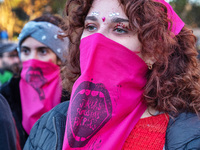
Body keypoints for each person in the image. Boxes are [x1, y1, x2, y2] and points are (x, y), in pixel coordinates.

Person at [24, 0, 200, 149]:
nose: (97, 39)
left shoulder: (189, 134)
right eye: (91, 26)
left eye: (120, 29)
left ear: (154, 50)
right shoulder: (51, 123)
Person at [0, 14, 70, 149]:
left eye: (43, 51)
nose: (32, 59)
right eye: (26, 51)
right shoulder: (5, 97)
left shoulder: (75, 99)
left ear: (61, 58)